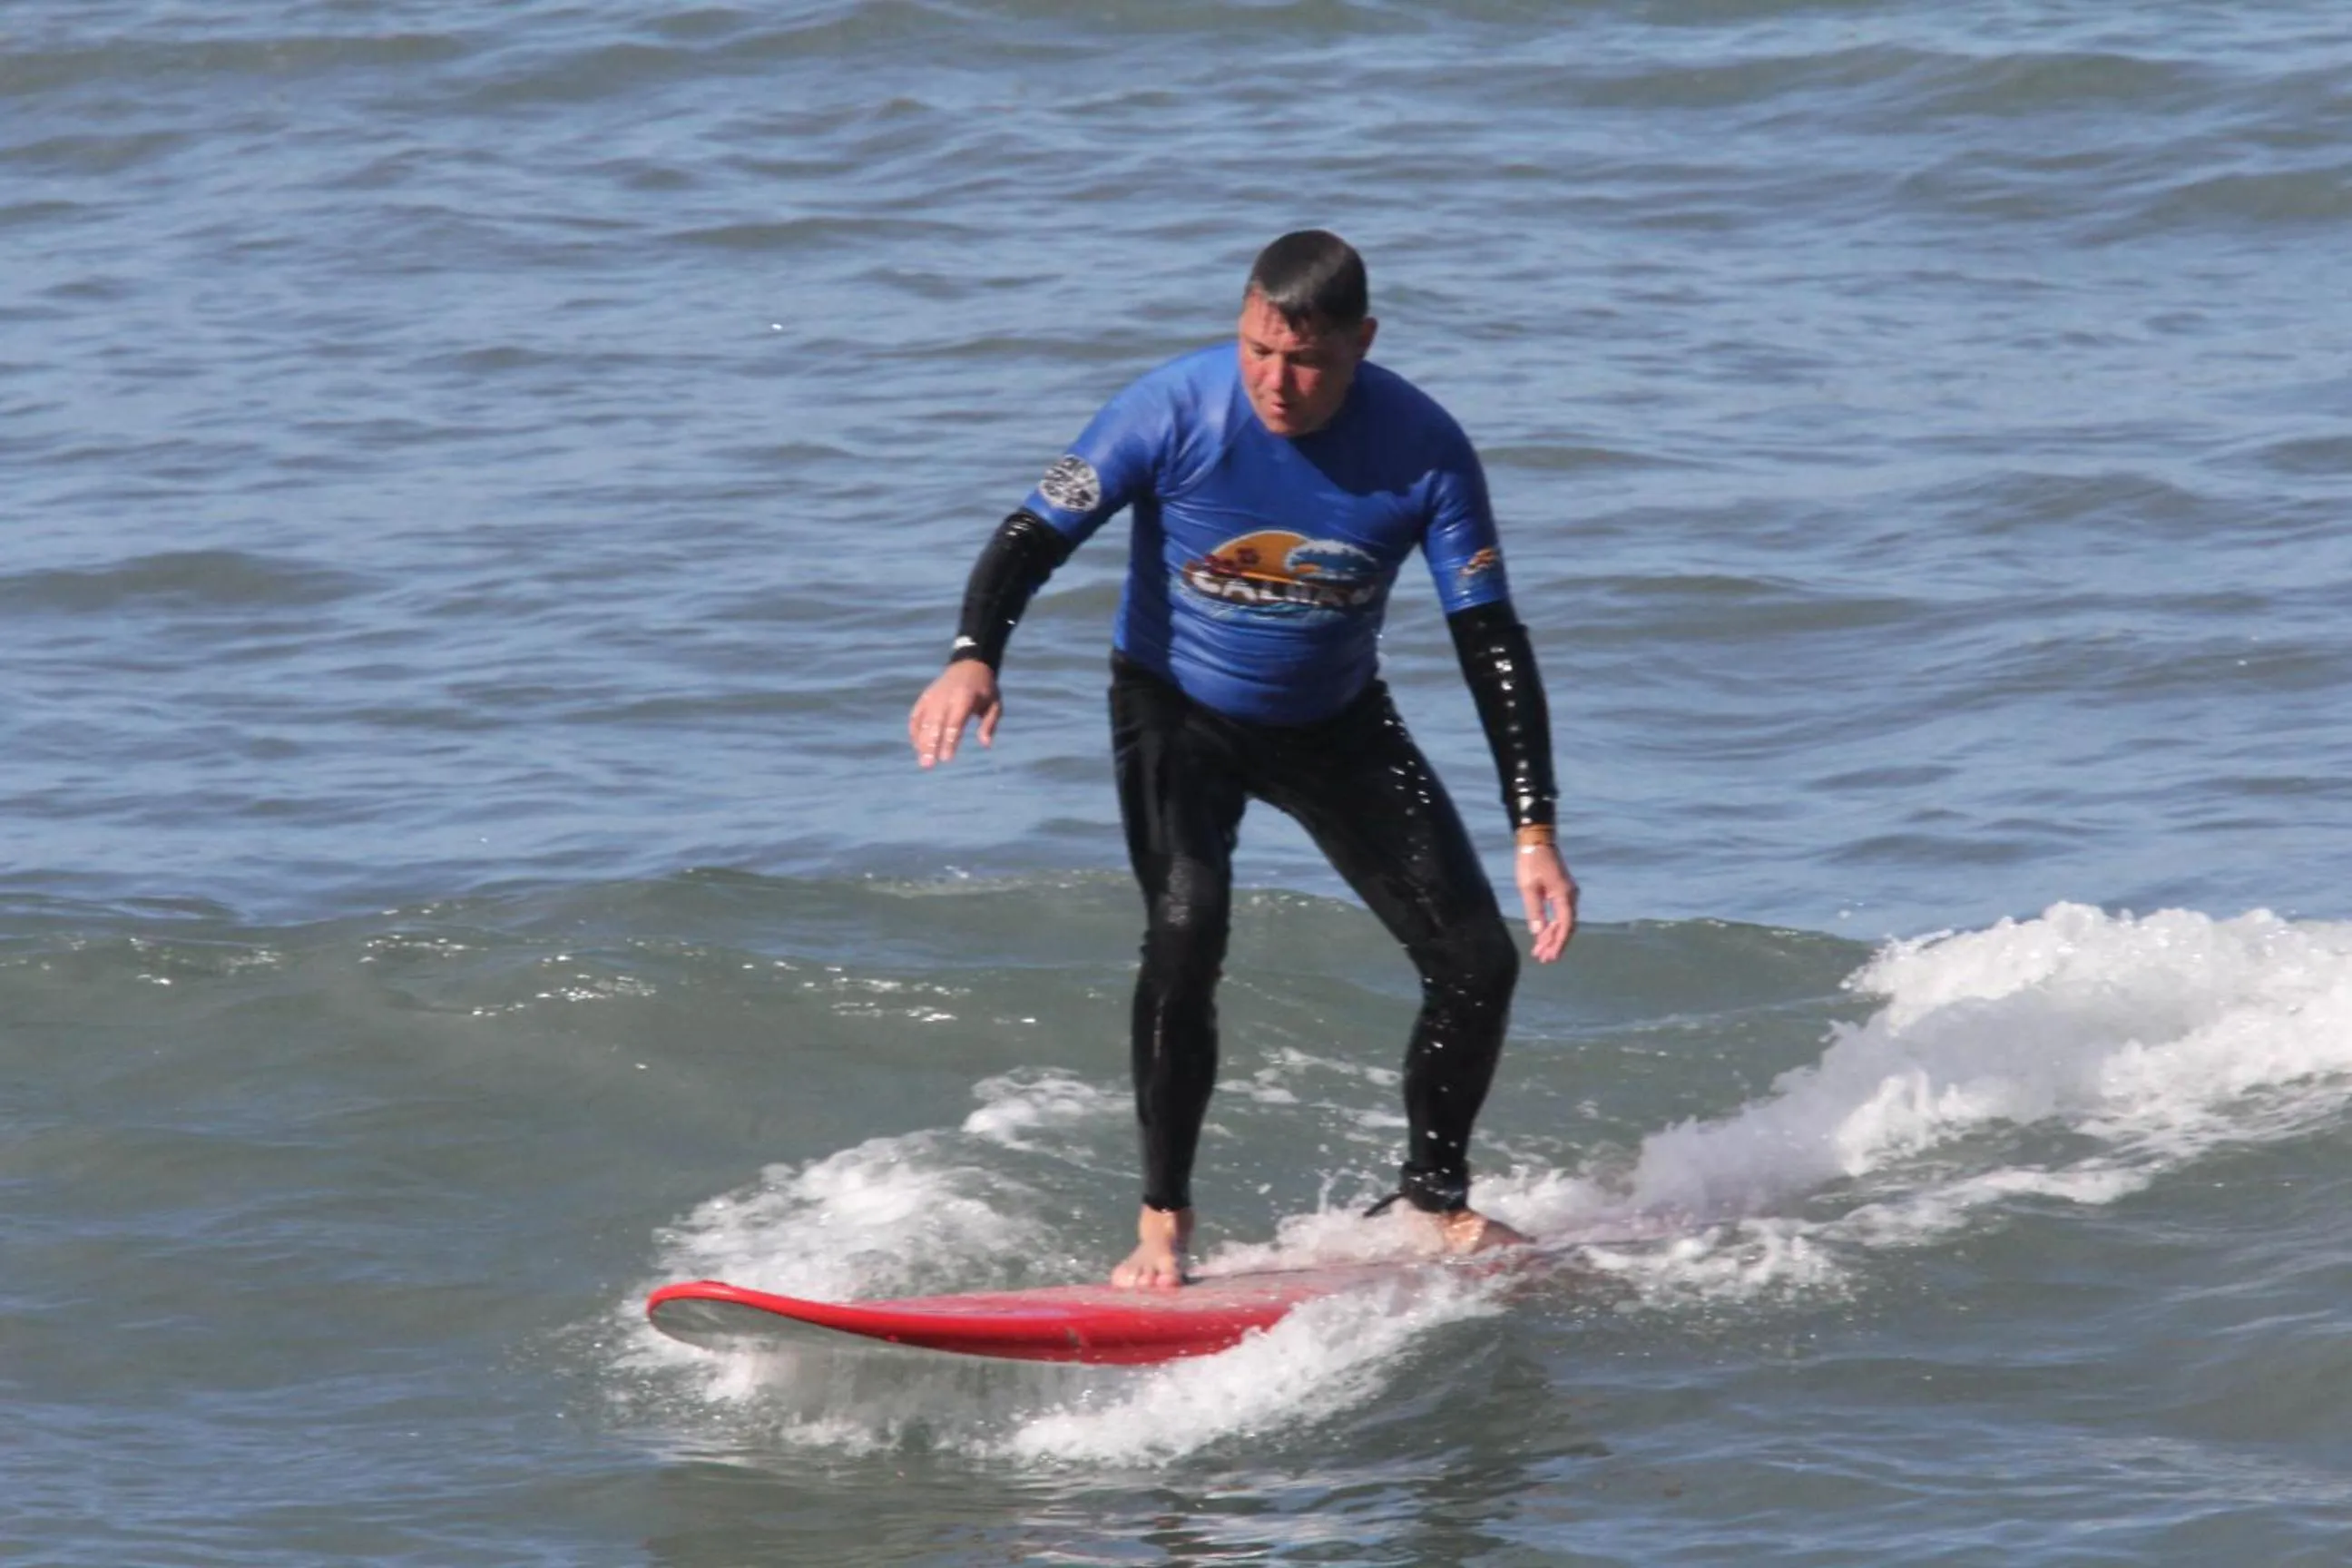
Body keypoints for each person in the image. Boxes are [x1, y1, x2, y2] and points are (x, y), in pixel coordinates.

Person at [907, 230, 1577, 1289]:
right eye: (1259, 350)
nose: (1275, 381)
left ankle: (1432, 1200)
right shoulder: (1170, 408)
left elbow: (1489, 638)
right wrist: (973, 655)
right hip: (1177, 712)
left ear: (1362, 342)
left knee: (1476, 961)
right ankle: (1163, 1221)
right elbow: (1034, 533)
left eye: (1306, 360)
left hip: (1337, 722)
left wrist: (1533, 828)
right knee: (1188, 925)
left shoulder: (1426, 450)